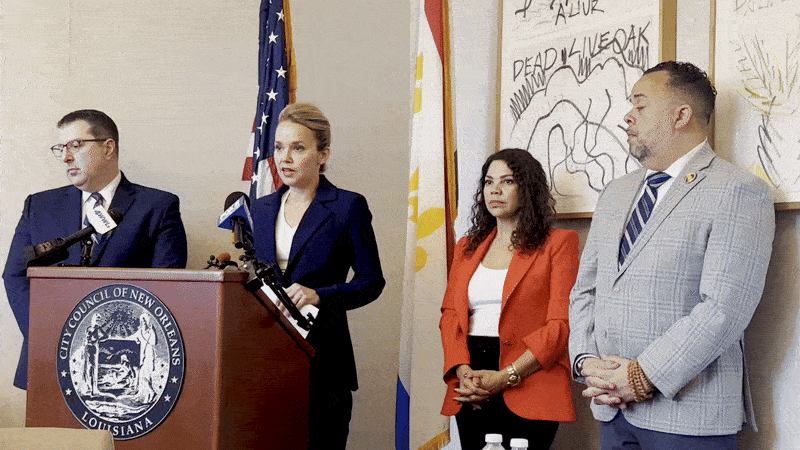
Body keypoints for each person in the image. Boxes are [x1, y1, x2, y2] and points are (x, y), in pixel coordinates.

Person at [569, 61, 775, 449]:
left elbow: (723, 309)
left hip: (688, 418)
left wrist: (641, 376)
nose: (628, 116)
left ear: (682, 115)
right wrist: (586, 363)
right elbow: (586, 291)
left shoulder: (738, 192)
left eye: (640, 105)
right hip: (612, 413)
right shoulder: (615, 193)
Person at [3, 109, 188, 390]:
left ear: (108, 148)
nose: (66, 157)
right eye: (61, 148)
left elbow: (166, 289)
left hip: (123, 367)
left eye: (76, 145)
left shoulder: (158, 207)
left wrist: (118, 345)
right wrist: (47, 336)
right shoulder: (39, 206)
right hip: (48, 359)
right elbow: (15, 275)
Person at [250, 103, 385, 449]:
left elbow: (371, 280)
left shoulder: (347, 206)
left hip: (324, 361)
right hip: (267, 363)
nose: (286, 158)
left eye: (298, 148)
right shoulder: (261, 210)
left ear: (323, 154)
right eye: (279, 148)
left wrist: (321, 294)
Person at [439, 149, 579, 450]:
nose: (495, 190)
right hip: (471, 376)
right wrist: (464, 372)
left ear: (526, 189)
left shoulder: (558, 243)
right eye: (489, 182)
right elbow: (450, 316)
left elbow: (561, 326)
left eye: (507, 181)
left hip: (530, 375)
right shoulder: (466, 247)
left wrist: (506, 377)